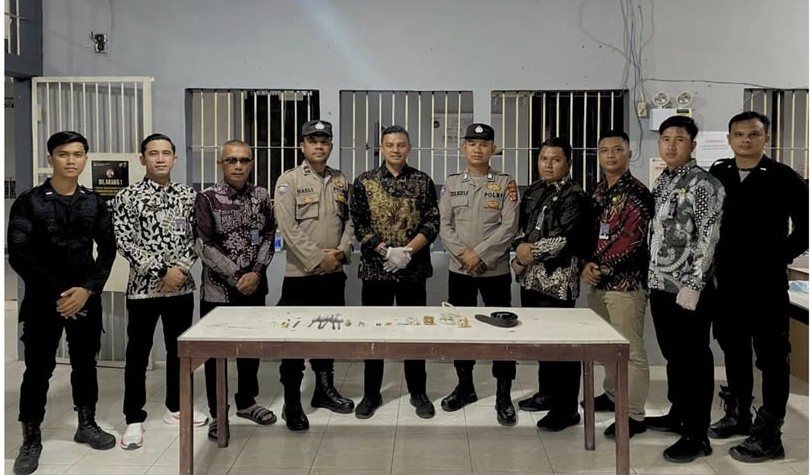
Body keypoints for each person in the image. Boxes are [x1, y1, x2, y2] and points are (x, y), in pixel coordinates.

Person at [8, 131, 117, 474]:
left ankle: (87, 424)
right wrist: (60, 294)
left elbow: (108, 250)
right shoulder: (29, 201)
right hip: (44, 300)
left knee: (85, 363)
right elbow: (19, 253)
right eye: (63, 154)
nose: (71, 160)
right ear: (50, 158)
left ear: (85, 159)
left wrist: (87, 290)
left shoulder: (94, 202)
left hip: (85, 297)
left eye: (78, 154)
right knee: (38, 368)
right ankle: (31, 439)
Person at [708, 111, 808, 462]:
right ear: (729, 139)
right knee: (733, 349)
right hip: (727, 282)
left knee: (772, 357)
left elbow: (806, 226)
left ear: (766, 138)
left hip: (766, 283)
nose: (745, 140)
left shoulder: (783, 177)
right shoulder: (719, 173)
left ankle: (769, 434)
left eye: (753, 134)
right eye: (738, 134)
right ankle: (738, 414)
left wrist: (779, 255)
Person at [112, 133, 208, 450]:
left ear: (175, 158)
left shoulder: (188, 196)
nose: (160, 158)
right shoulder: (127, 197)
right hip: (144, 289)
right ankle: (134, 418)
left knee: (179, 351)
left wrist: (180, 270)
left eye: (166, 153)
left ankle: (176, 407)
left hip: (181, 287)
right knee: (138, 354)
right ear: (142, 158)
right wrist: (161, 271)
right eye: (153, 153)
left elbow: (198, 238)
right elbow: (125, 242)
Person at [645, 115, 724, 463]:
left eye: (679, 139)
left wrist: (694, 284)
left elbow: (709, 236)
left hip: (689, 289)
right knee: (673, 355)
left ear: (693, 144)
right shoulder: (664, 180)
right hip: (660, 283)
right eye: (665, 139)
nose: (671, 145)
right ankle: (678, 413)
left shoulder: (704, 183)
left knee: (694, 359)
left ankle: (696, 433)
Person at [350, 125, 440, 420]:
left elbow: (432, 223)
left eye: (401, 144)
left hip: (413, 272)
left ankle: (418, 393)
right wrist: (386, 251)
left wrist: (407, 252)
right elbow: (358, 224)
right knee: (374, 334)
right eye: (390, 145)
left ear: (409, 148)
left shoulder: (423, 181)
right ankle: (371, 394)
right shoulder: (364, 181)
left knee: (414, 333)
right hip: (376, 271)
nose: (395, 150)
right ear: (381, 148)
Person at [273, 120, 355, 431]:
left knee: (327, 335)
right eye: (312, 140)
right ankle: (292, 402)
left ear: (330, 145)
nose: (319, 145)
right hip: (301, 275)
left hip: (333, 274)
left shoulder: (340, 180)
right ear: (302, 146)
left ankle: (324, 391)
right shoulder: (289, 181)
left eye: (324, 140)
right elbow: (288, 228)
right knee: (293, 342)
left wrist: (341, 253)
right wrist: (319, 258)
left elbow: (350, 222)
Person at [195, 140, 278, 440]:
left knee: (250, 349)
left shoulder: (261, 196)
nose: (238, 166)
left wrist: (256, 272)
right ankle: (218, 412)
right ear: (221, 164)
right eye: (232, 160)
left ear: (251, 163)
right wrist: (238, 275)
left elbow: (269, 234)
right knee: (215, 353)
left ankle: (247, 402)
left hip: (255, 287)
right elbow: (203, 244)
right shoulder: (207, 198)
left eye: (244, 160)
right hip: (218, 291)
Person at [438, 123, 519, 425]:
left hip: (494, 270)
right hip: (460, 270)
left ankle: (503, 394)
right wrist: (465, 255)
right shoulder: (451, 183)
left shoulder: (506, 183)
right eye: (472, 143)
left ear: (493, 149)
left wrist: (481, 255)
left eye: (484, 144)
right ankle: (465, 387)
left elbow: (509, 226)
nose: (477, 149)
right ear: (463, 148)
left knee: (502, 332)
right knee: (461, 330)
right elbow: (444, 224)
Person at [512, 137, 592, 432]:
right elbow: (520, 228)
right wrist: (519, 247)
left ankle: (566, 409)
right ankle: (547, 393)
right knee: (542, 343)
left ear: (568, 163)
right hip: (531, 280)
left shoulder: (575, 195)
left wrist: (525, 255)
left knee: (562, 348)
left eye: (555, 159)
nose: (548, 165)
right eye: (543, 158)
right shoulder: (533, 190)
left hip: (558, 282)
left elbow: (562, 239)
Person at [580, 130, 654, 439]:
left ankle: (634, 414)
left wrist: (600, 267)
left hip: (626, 284)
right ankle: (612, 396)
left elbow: (632, 240)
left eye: (617, 149)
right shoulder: (598, 191)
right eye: (604, 150)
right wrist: (585, 263)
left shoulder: (637, 193)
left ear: (629, 154)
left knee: (629, 350)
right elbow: (587, 233)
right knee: (608, 346)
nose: (610, 155)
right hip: (598, 282)